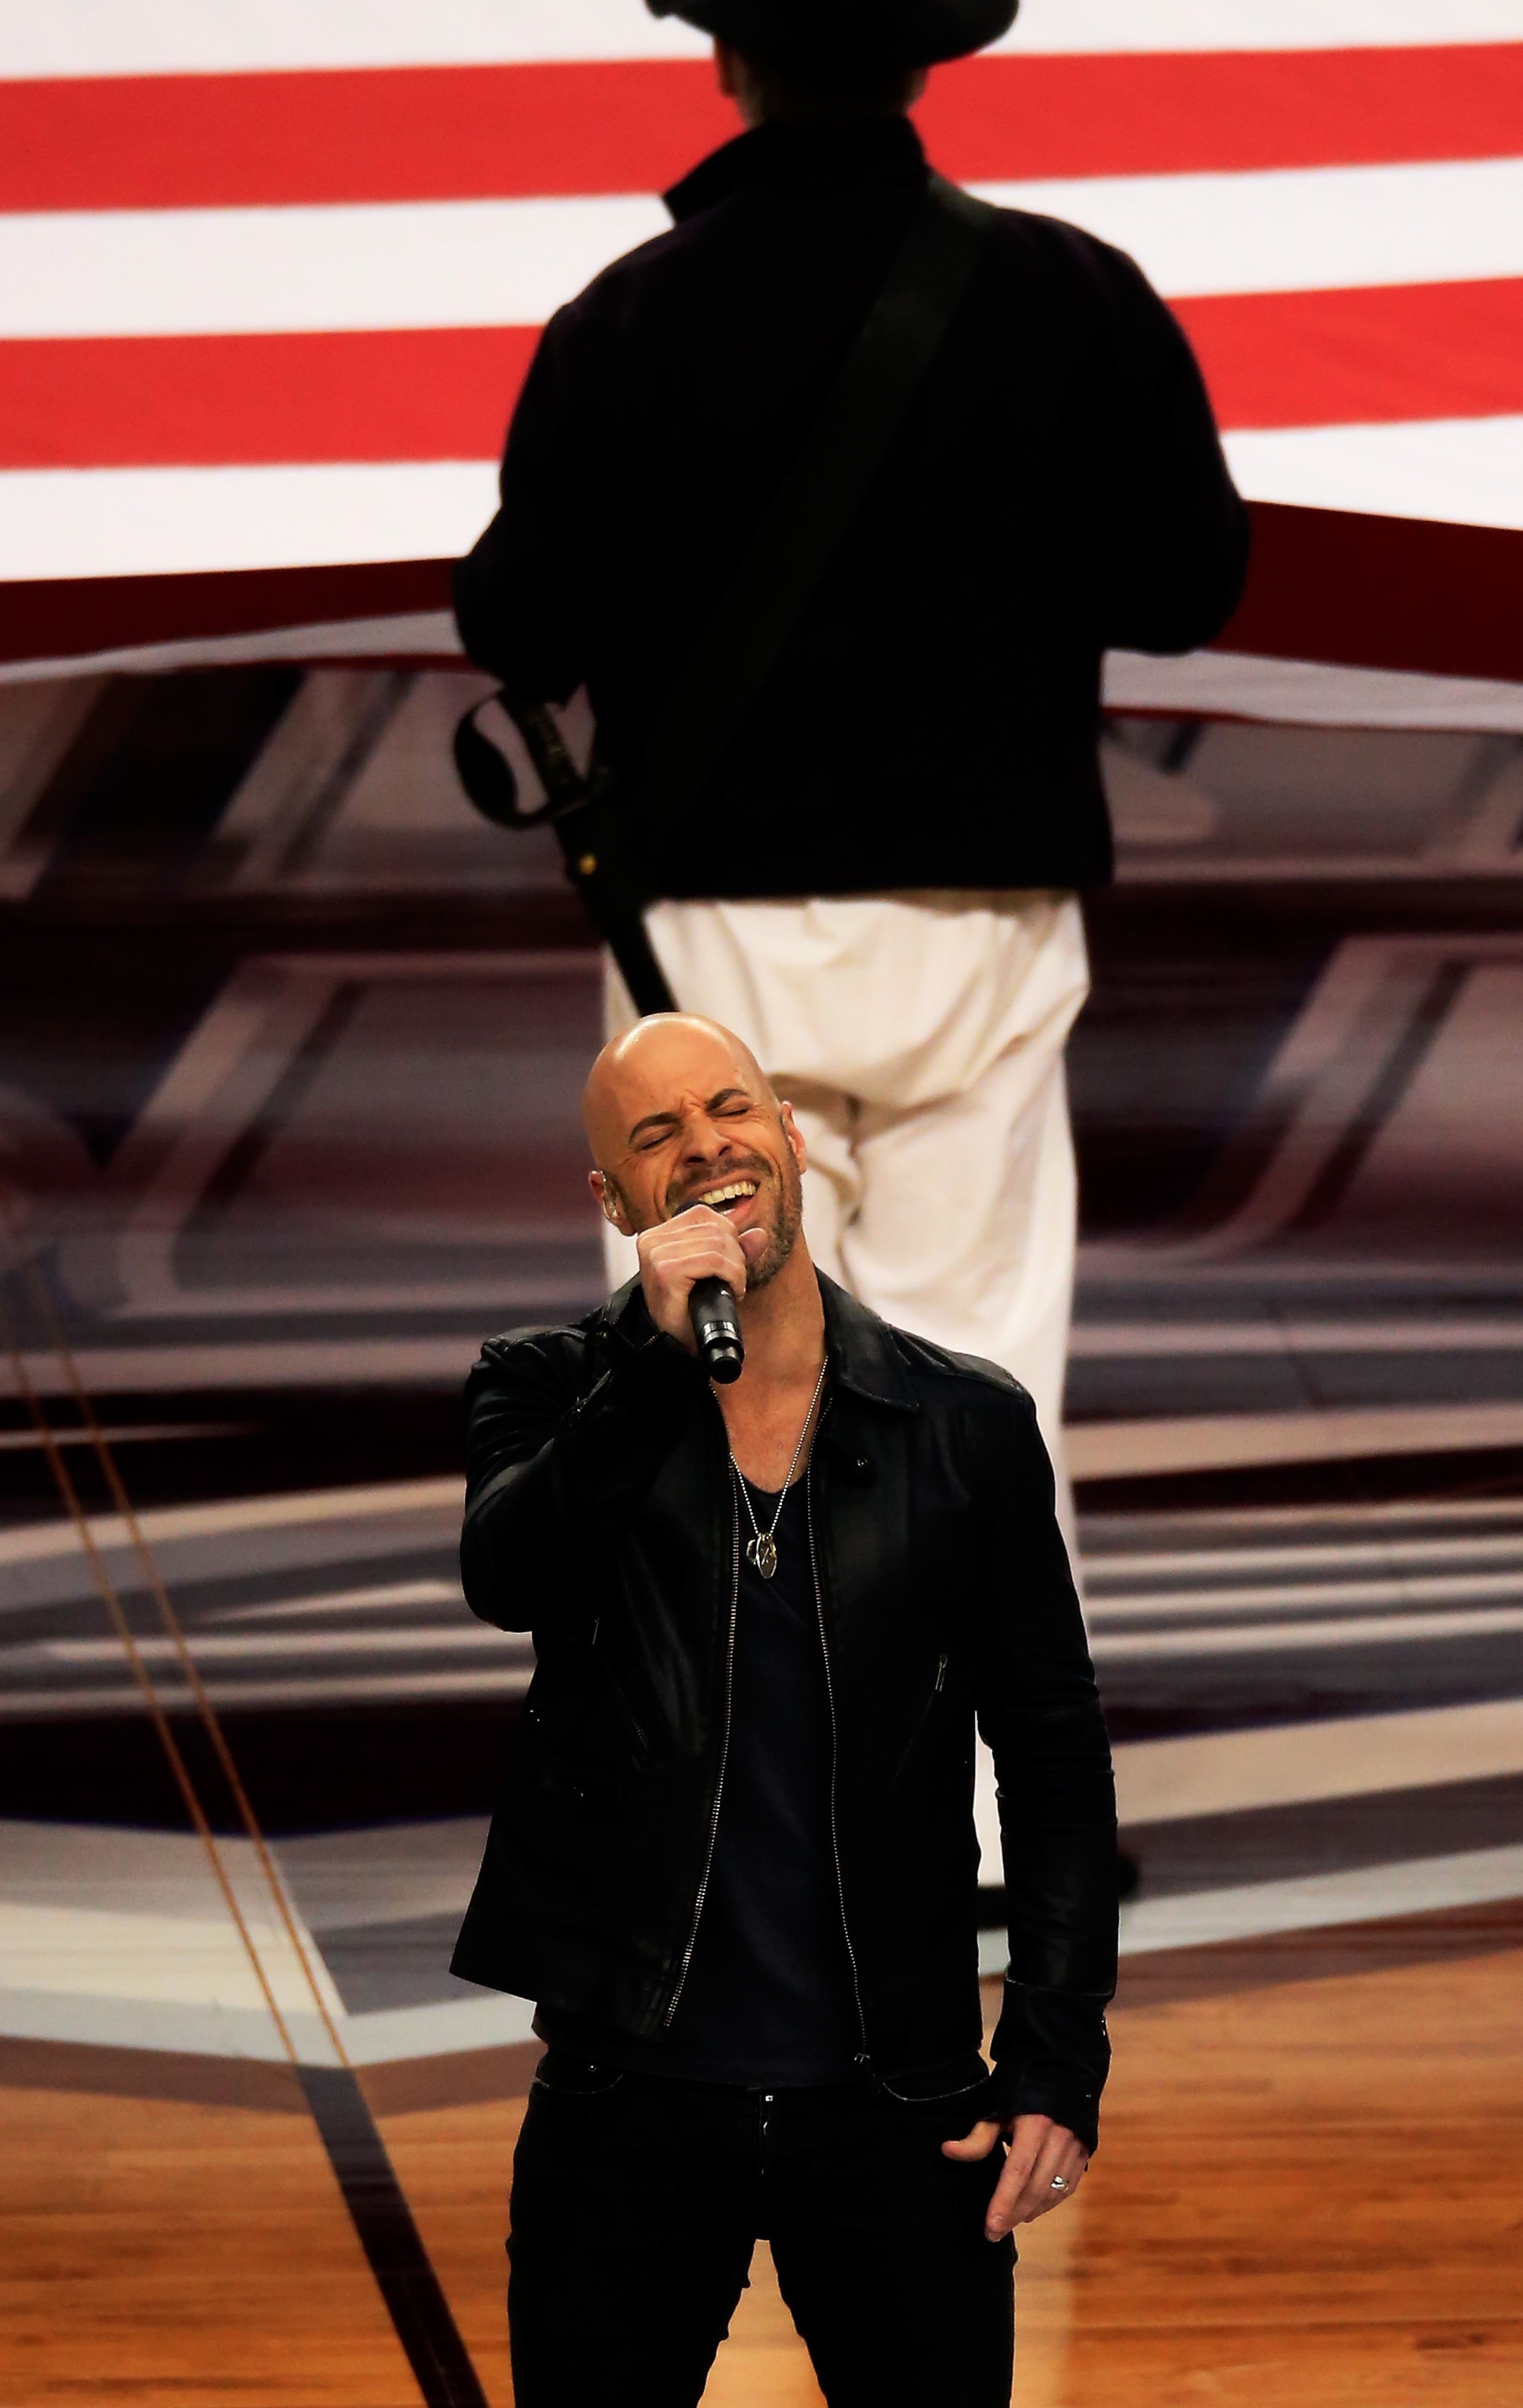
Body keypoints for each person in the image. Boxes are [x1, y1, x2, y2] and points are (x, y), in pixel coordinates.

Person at [452, 0, 1248, 1522]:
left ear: (733, 58)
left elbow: (512, 621)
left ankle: (735, 1800)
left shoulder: (630, 322)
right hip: (982, 932)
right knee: (974, 1415)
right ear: (918, 60)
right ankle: (959, 1805)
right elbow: (1196, 578)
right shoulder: (1075, 297)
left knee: (710, 1428)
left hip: (710, 941)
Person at [452, 1011, 1118, 2407]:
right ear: (615, 1201)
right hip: (628, 2102)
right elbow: (511, 1575)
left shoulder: (964, 1428)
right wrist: (651, 1360)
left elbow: (1052, 1747)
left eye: (730, 1110)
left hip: (900, 2109)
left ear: (792, 1137)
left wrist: (1057, 2047)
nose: (707, 1147)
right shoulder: (551, 1389)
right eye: (658, 1137)